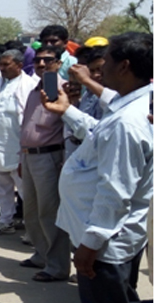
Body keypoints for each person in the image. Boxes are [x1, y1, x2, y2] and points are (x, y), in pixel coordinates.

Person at [44, 32, 152, 303]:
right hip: (109, 237)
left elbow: (115, 191)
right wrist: (67, 110)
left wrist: (91, 244)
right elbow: (99, 136)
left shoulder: (128, 121)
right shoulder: (130, 106)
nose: (101, 68)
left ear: (124, 66)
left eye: (107, 60)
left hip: (106, 246)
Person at [17, 44, 71, 283]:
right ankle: (41, 255)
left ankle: (58, 266)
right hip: (28, 156)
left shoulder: (62, 90)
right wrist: (21, 157)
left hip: (49, 157)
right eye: (38, 60)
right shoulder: (34, 90)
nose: (41, 64)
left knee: (49, 212)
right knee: (31, 211)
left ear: (58, 63)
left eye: (47, 60)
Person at [0, 49, 38, 235]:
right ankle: (6, 221)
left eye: (6, 64)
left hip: (18, 147)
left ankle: (33, 229)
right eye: (1, 64)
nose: (1, 68)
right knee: (2, 188)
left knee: (25, 190)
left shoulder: (30, 86)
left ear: (19, 65)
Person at [62, 38, 117, 159]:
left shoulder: (117, 94)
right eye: (92, 71)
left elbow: (98, 130)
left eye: (100, 70)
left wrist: (65, 108)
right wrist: (73, 102)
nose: (96, 75)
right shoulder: (88, 93)